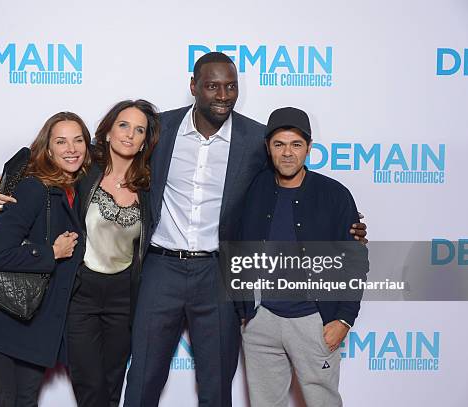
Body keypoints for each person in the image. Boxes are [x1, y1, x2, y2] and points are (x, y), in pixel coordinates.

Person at [123, 53, 367, 407]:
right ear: (194, 87)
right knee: (143, 376)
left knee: (218, 382)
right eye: (212, 86)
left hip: (220, 273)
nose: (223, 95)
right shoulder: (160, 128)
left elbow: (294, 189)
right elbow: (112, 158)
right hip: (161, 267)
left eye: (231, 86)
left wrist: (348, 229)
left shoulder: (256, 138)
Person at [0, 100, 159, 407]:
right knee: (89, 386)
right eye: (123, 125)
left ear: (146, 140)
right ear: (107, 133)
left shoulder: (151, 183)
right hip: (80, 292)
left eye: (139, 129)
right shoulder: (84, 170)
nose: (130, 134)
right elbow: (33, 162)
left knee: (112, 385)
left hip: (124, 297)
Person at [0, 111, 90, 407]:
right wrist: (51, 253)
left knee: (26, 401)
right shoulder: (33, 187)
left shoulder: (81, 190)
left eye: (78, 140)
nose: (71, 149)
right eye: (61, 141)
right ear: (48, 148)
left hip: (38, 322)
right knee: (5, 400)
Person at [237, 107, 369, 406]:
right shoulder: (254, 189)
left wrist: (344, 320)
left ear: (309, 148)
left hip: (314, 321)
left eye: (296, 145)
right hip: (261, 320)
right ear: (268, 148)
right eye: (279, 144)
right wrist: (243, 309)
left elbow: (355, 262)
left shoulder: (334, 194)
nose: (287, 153)